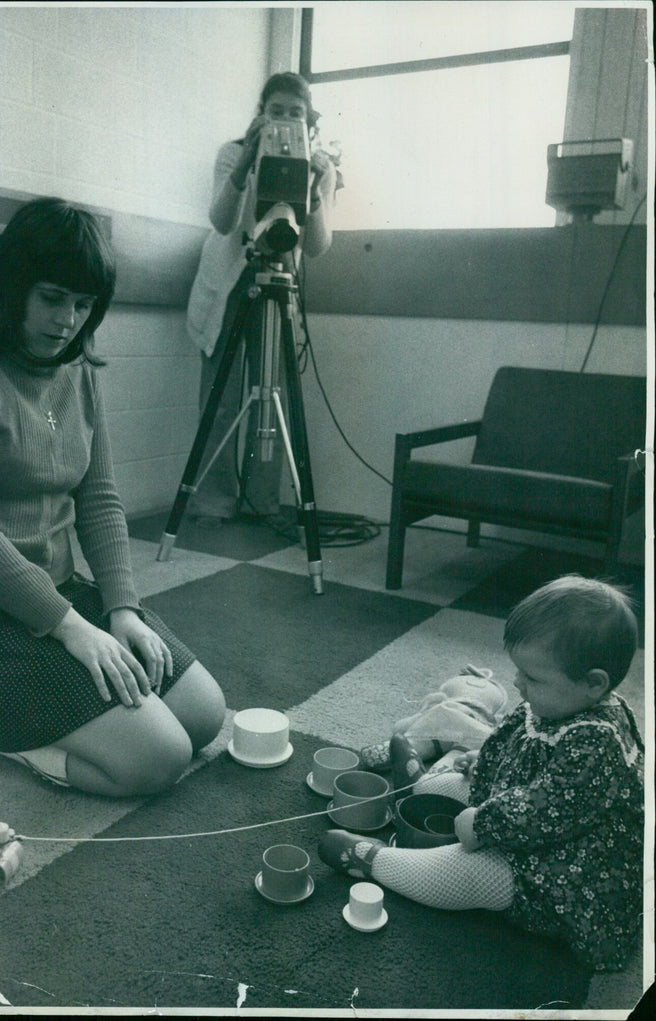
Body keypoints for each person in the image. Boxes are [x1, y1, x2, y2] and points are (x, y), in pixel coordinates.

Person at [0, 197, 226, 797]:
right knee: (156, 760)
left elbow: (99, 497)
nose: (68, 320)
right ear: (14, 286)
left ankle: (42, 696)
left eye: (84, 305)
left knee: (204, 715)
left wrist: (122, 608)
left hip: (59, 595)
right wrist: (72, 628)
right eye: (52, 298)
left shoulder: (77, 370)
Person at [319, 576, 644, 971]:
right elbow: (513, 742)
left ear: (594, 684)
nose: (517, 684)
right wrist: (482, 762)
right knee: (455, 783)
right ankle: (418, 786)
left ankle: (376, 862)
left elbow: (543, 810)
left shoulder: (598, 740)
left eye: (533, 678)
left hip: (562, 875)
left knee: (473, 870)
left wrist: (482, 823)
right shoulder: (558, 700)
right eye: (519, 671)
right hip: (524, 812)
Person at [185, 71, 339, 527]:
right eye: (277, 111)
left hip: (277, 284)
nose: (286, 118)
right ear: (260, 115)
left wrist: (312, 186)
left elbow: (316, 246)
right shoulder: (233, 154)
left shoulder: (322, 168)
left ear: (308, 121)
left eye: (296, 112)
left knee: (271, 395)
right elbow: (221, 219)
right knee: (221, 399)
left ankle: (262, 502)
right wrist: (248, 160)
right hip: (229, 284)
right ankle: (211, 502)